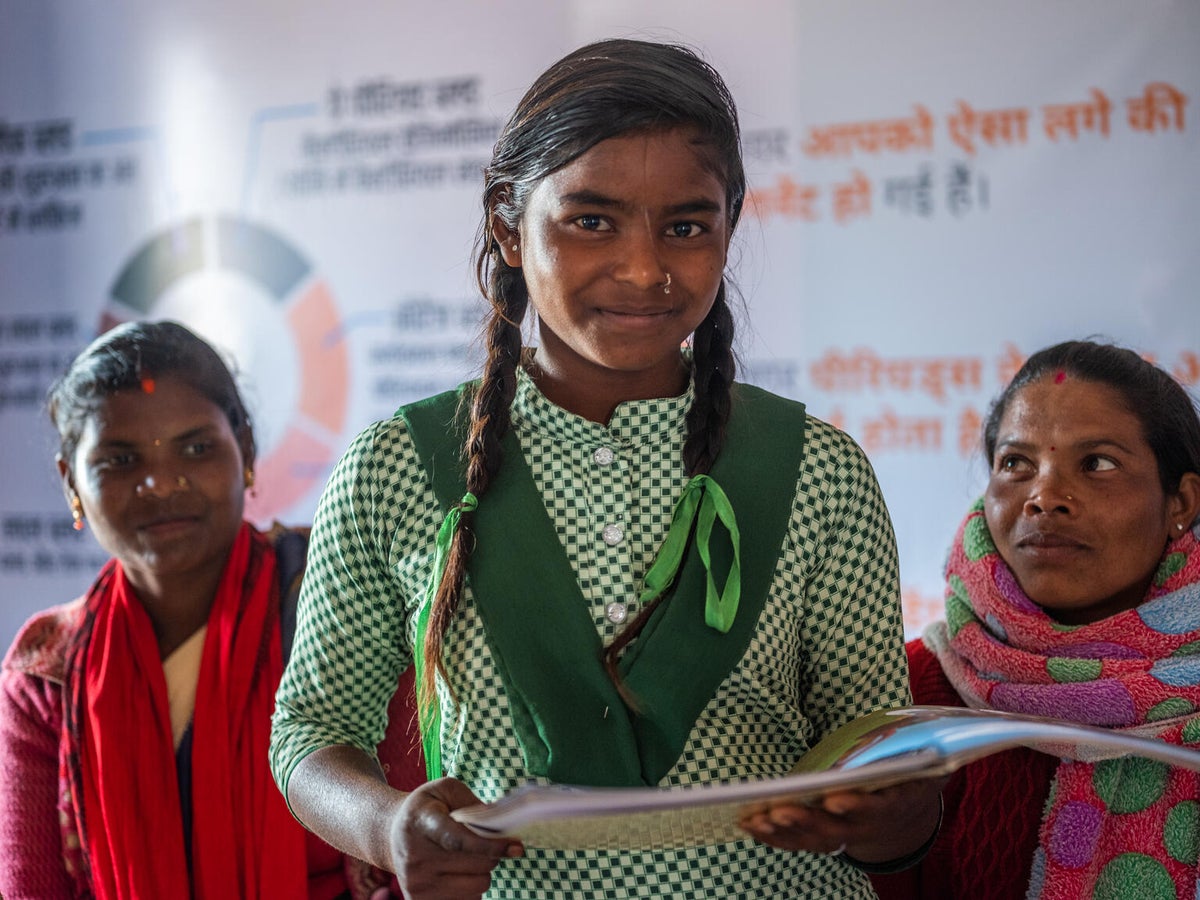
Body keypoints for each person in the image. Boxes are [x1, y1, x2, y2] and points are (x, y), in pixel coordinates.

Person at [270, 38, 941, 899]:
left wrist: (891, 814)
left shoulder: (819, 470)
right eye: (591, 221)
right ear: (508, 228)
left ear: (729, 228)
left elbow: (877, 761)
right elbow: (312, 731)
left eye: (687, 226)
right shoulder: (400, 464)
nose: (644, 269)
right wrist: (388, 824)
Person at [0, 321, 421, 899]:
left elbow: (416, 853)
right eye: (119, 460)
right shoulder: (47, 669)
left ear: (245, 451)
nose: (160, 484)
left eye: (196, 449)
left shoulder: (340, 601)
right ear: (71, 483)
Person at [871, 339, 1200, 900]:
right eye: (1016, 463)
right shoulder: (911, 692)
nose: (1045, 497)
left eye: (1097, 463)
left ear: (1182, 504)